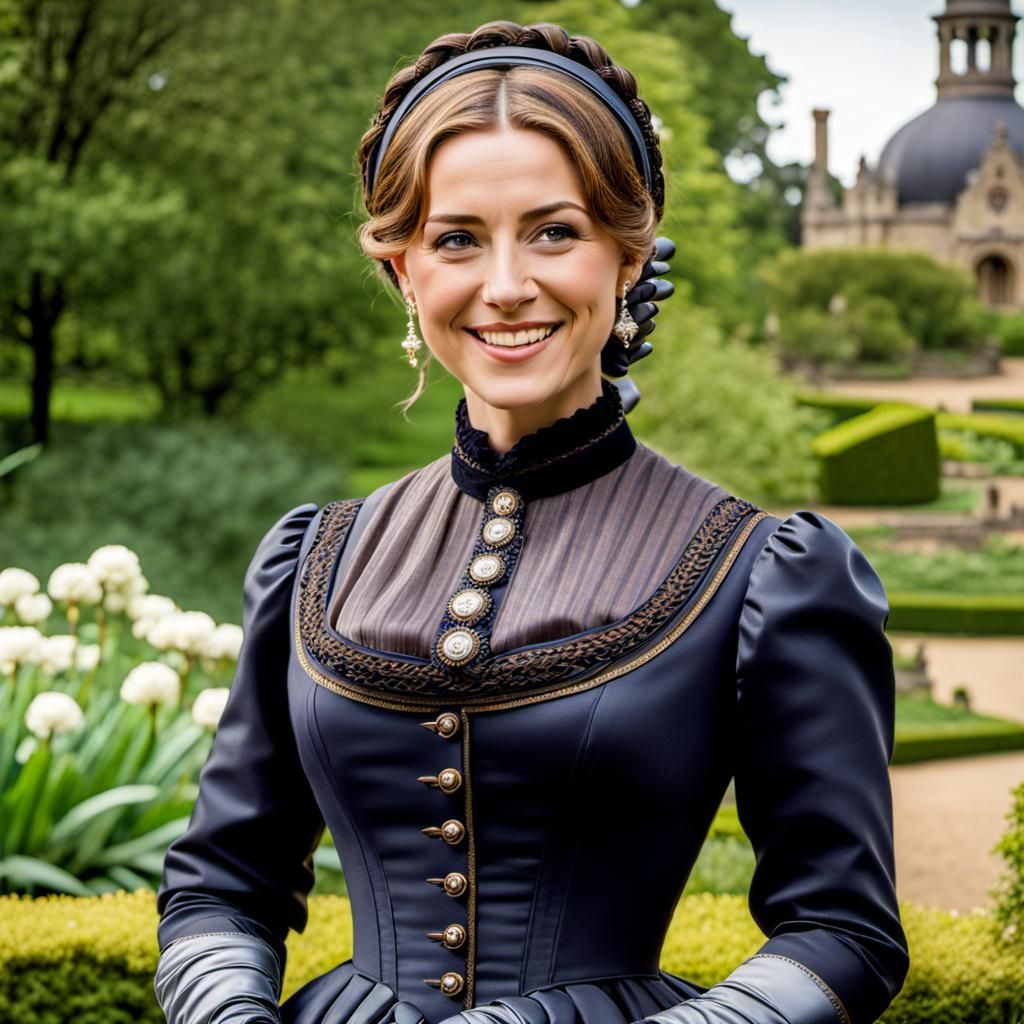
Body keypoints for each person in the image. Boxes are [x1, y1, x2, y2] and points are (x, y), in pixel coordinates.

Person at [153, 19, 910, 1024]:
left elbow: (842, 932)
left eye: (554, 231)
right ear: (403, 272)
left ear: (628, 258)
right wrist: (227, 1013)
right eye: (456, 238)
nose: (507, 286)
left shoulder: (765, 569)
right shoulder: (312, 559)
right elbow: (220, 878)